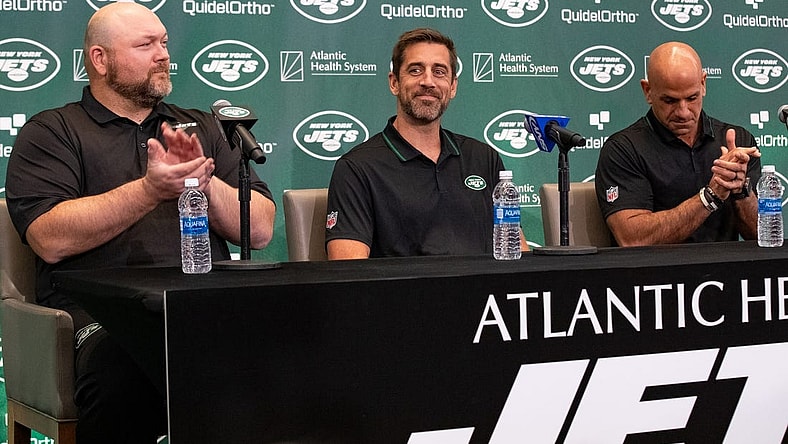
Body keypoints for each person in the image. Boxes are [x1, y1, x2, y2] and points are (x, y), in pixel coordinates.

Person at [4, 2, 275, 442]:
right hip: (102, 317)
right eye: (146, 45)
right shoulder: (53, 131)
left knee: (285, 357)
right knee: (126, 371)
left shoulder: (200, 127)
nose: (163, 54)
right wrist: (149, 190)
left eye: (164, 43)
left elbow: (260, 228)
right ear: (100, 59)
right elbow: (48, 237)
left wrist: (199, 183)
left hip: (201, 306)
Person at [325, 28, 527, 259]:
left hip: (484, 294)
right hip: (404, 295)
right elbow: (348, 272)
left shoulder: (483, 158)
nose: (428, 81)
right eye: (415, 70)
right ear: (394, 83)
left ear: (452, 87)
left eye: (439, 72)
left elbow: (515, 250)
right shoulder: (357, 168)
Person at [594, 41, 760, 246]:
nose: (683, 112)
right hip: (657, 276)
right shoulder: (623, 149)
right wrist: (711, 195)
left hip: (728, 276)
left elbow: (760, 235)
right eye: (670, 101)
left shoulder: (738, 142)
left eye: (692, 98)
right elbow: (632, 239)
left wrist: (741, 189)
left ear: (703, 84)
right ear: (647, 91)